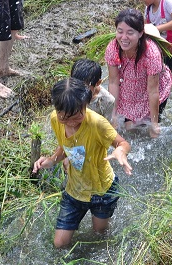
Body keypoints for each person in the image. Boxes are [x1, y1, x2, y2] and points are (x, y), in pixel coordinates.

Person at [32, 78, 132, 248]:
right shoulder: (55, 119)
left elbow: (123, 143)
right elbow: (65, 147)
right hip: (74, 190)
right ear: (57, 110)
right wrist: (50, 161)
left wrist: (120, 151)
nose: (71, 123)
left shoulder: (97, 123)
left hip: (102, 191)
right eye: (65, 118)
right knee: (59, 244)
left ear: (85, 105)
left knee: (99, 236)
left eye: (77, 116)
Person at [105, 8, 172, 137]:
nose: (123, 37)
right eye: (120, 31)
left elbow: (153, 91)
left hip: (154, 89)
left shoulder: (151, 54)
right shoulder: (112, 48)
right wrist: (113, 115)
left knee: (151, 131)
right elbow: (113, 82)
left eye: (130, 32)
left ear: (141, 33)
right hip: (131, 87)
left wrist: (154, 124)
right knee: (129, 127)